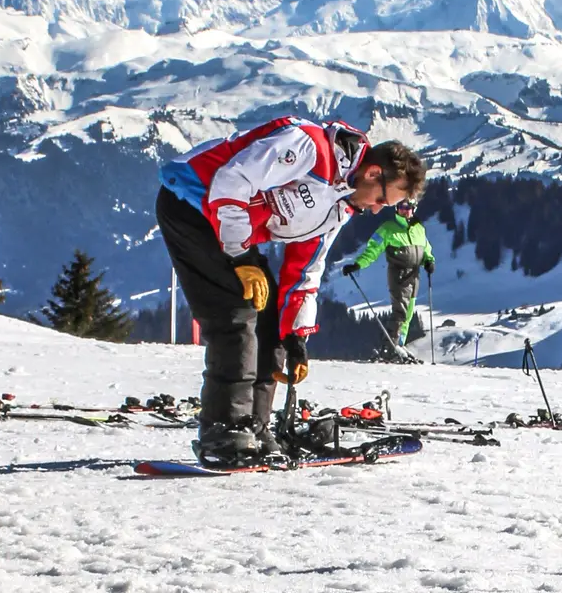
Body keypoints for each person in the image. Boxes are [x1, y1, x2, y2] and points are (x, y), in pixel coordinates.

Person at [157, 117, 426, 467]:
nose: (376, 209)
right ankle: (224, 432)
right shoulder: (307, 147)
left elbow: (305, 269)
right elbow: (232, 179)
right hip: (191, 205)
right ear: (374, 173)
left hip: (231, 228)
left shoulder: (340, 206)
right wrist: (239, 256)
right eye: (381, 200)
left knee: (270, 324)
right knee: (236, 316)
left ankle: (255, 425)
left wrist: (295, 336)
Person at [341, 198, 434, 346]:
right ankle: (390, 346)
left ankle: (399, 345)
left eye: (407, 207)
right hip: (399, 274)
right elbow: (373, 248)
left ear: (413, 208)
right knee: (400, 312)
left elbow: (426, 248)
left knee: (408, 314)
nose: (403, 210)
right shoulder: (388, 228)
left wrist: (429, 261)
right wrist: (358, 264)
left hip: (414, 275)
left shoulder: (419, 229)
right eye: (400, 207)